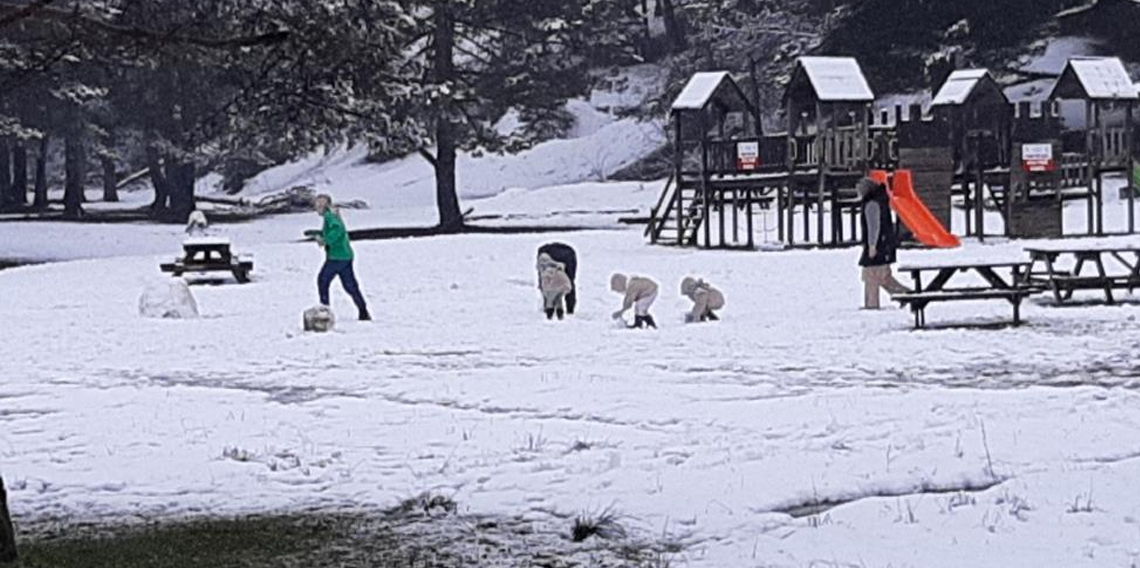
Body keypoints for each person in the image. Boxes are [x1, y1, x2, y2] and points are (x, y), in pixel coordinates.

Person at [313, 194, 371, 321]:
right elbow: (337, 229)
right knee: (350, 285)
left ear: (325, 205)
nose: (317, 207)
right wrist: (318, 234)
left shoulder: (329, 216)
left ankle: (325, 312)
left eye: (320, 204)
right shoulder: (332, 215)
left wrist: (325, 240)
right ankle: (363, 311)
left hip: (337, 257)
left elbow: (338, 230)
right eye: (317, 204)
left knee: (323, 280)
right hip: (346, 255)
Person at [857, 177, 909, 309]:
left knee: (871, 275)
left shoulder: (871, 204)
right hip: (885, 244)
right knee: (884, 276)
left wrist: (872, 245)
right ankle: (906, 294)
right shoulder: (881, 201)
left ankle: (871, 304)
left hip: (878, 244)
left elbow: (873, 226)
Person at [536, 242, 577, 314]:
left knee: (546, 280)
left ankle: (548, 307)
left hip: (550, 254)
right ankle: (570, 308)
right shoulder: (569, 251)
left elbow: (542, 281)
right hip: (569, 254)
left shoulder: (542, 252)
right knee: (569, 281)